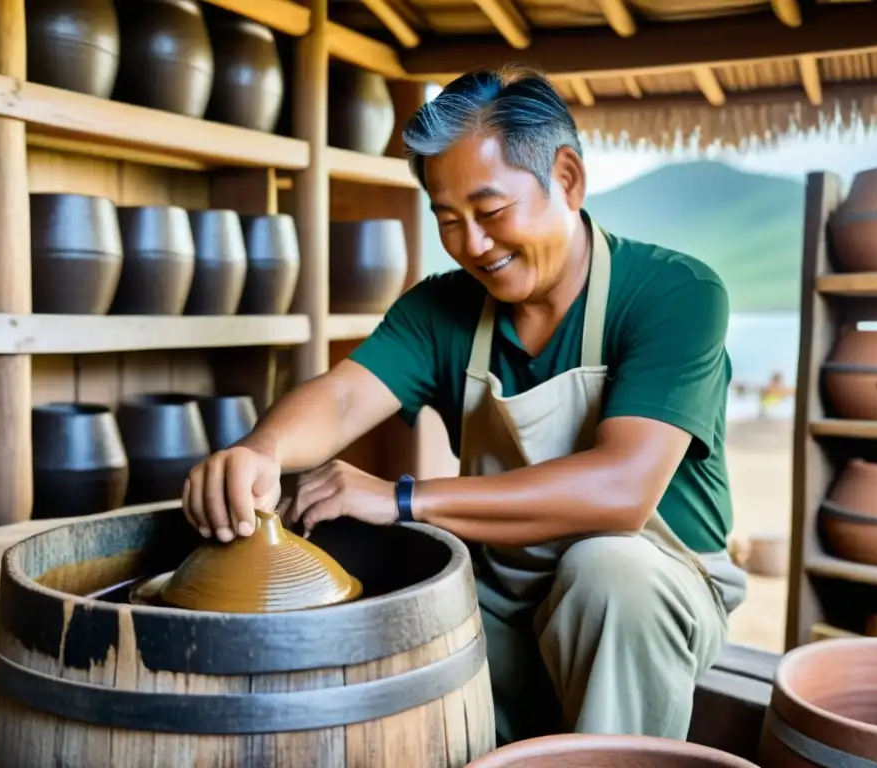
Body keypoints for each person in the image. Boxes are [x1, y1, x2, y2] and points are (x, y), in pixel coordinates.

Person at [182, 65, 748, 745]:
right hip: (503, 597)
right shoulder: (441, 308)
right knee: (380, 598)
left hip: (653, 591)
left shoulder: (675, 293)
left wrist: (401, 498)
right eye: (448, 221)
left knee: (608, 571)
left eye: (491, 212)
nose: (473, 245)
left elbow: (622, 490)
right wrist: (261, 449)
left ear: (567, 178)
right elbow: (343, 396)